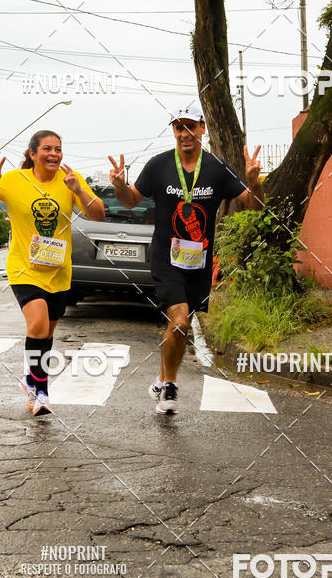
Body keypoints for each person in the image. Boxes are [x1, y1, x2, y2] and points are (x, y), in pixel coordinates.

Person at [109, 101, 263, 415]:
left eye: (191, 126)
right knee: (178, 322)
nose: (185, 133)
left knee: (183, 327)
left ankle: (162, 379)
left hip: (199, 263)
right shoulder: (159, 165)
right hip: (166, 259)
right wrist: (119, 185)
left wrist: (254, 180)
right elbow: (130, 201)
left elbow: (254, 204)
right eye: (179, 127)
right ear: (174, 132)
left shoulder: (216, 168)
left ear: (202, 128)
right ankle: (171, 386)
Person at [0, 130, 104, 417]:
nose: (54, 154)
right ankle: (39, 391)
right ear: (32, 154)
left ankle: (34, 379)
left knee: (47, 334)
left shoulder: (70, 180)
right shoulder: (13, 180)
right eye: (47, 149)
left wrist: (79, 190)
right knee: (37, 324)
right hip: (24, 269)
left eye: (58, 149)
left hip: (59, 270)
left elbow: (98, 213)